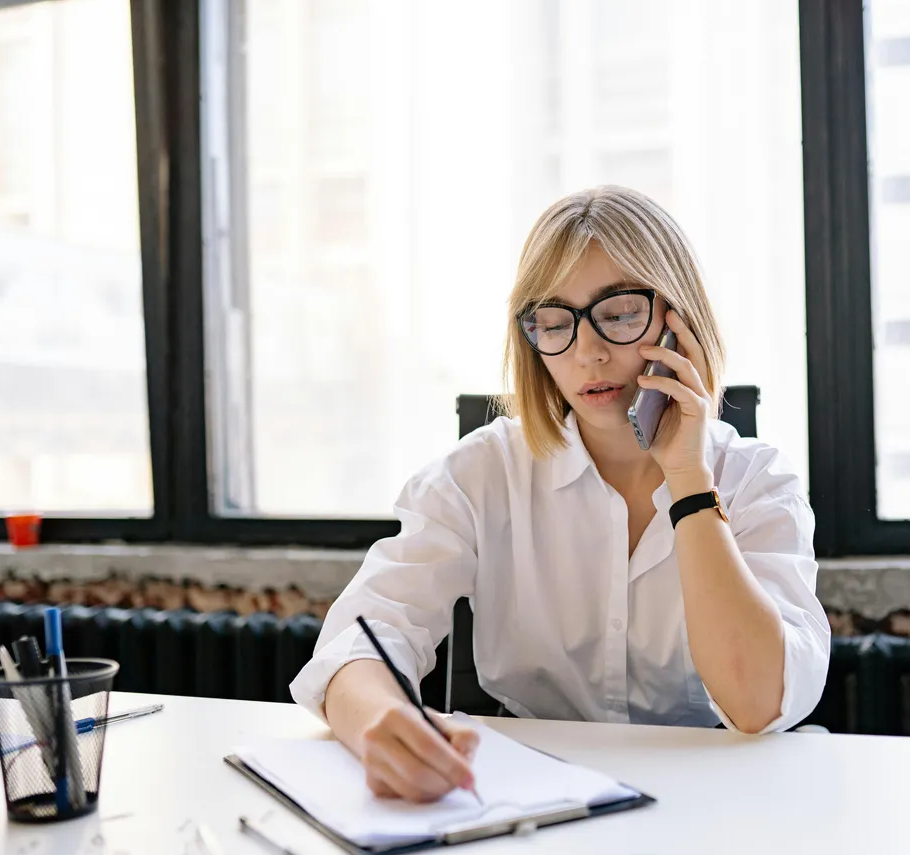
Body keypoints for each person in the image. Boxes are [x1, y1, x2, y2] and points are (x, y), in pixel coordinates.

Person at [290, 185, 830, 803]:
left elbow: (760, 703)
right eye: (554, 323)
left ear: (681, 323)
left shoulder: (757, 481)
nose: (588, 352)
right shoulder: (482, 472)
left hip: (713, 793)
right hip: (525, 793)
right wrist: (381, 726)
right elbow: (362, 637)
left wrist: (688, 482)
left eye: (620, 313)